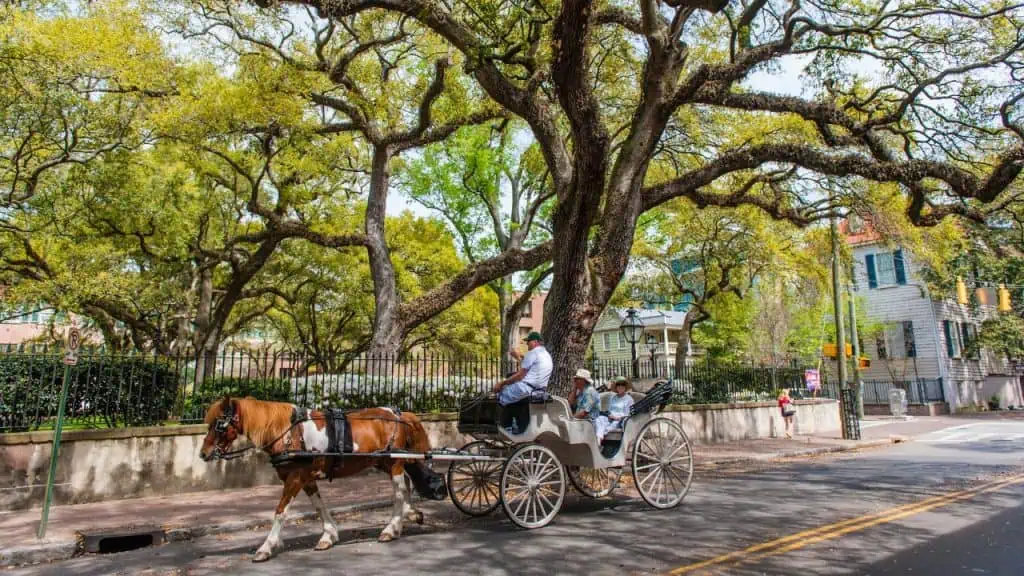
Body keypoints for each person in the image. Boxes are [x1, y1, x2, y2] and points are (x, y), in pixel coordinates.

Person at [493, 331, 552, 433]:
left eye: (528, 342)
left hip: (526, 388)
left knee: (500, 395)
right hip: (538, 391)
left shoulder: (533, 353)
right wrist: (519, 356)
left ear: (535, 342)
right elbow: (530, 367)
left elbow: (520, 375)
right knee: (511, 397)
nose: (527, 344)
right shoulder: (546, 355)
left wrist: (501, 383)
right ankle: (517, 426)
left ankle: (506, 428)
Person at [595, 377, 634, 444]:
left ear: (625, 387)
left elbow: (628, 414)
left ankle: (599, 439)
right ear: (616, 387)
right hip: (610, 418)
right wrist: (610, 415)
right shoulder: (614, 397)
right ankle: (599, 438)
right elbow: (610, 410)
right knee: (599, 419)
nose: (620, 387)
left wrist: (617, 418)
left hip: (620, 420)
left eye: (622, 385)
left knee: (610, 426)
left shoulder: (629, 399)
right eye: (618, 385)